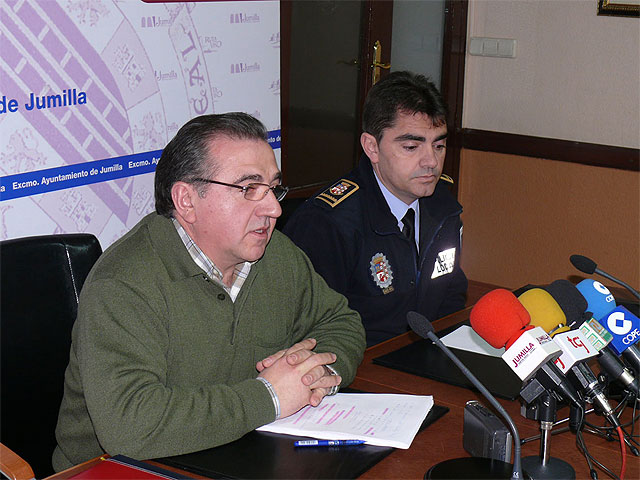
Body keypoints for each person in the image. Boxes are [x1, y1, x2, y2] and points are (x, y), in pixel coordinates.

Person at [52, 113, 366, 471]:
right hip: (117, 471)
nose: (274, 208)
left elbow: (341, 323)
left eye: (274, 188)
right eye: (249, 189)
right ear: (186, 200)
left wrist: (315, 376)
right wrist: (269, 396)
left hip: (236, 454)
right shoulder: (123, 284)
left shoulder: (275, 253)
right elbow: (129, 428)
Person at [283, 71, 468, 346]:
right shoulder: (329, 223)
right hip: (357, 372)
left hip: (426, 358)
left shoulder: (442, 207)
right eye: (411, 146)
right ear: (372, 147)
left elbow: (451, 293)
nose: (431, 161)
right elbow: (309, 330)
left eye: (439, 145)